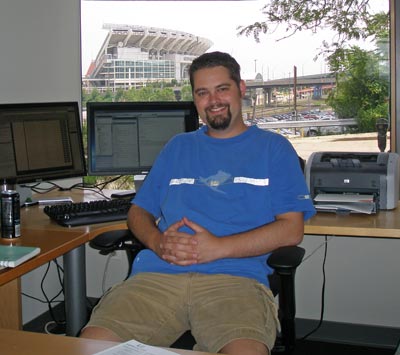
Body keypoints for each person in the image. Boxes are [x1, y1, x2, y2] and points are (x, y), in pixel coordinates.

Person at [80, 51, 316, 355]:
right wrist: (156, 241)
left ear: (241, 89)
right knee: (92, 347)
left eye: (222, 89)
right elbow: (139, 210)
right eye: (202, 92)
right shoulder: (178, 147)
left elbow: (291, 230)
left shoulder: (274, 149)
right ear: (195, 99)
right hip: (158, 276)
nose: (213, 100)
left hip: (235, 281)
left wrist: (217, 247)